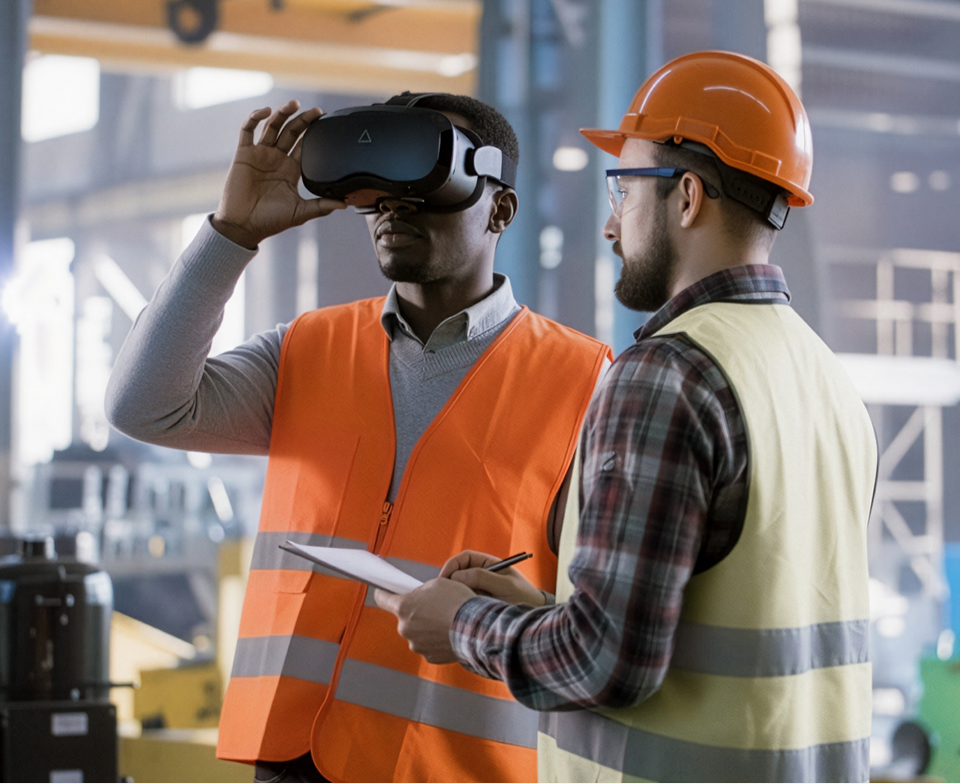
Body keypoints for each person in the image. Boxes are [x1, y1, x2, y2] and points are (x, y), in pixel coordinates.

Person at [376, 51, 880, 783]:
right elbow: (725, 614)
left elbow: (602, 663)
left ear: (685, 197)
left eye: (623, 191)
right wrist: (545, 610)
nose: (612, 227)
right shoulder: (823, 377)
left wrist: (459, 623)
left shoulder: (669, 374)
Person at [105, 93, 610, 783]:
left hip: (457, 768)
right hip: (291, 757)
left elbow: (605, 621)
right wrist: (231, 236)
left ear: (500, 209)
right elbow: (143, 407)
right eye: (377, 190)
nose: (393, 207)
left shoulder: (587, 383)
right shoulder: (308, 349)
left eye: (425, 181)